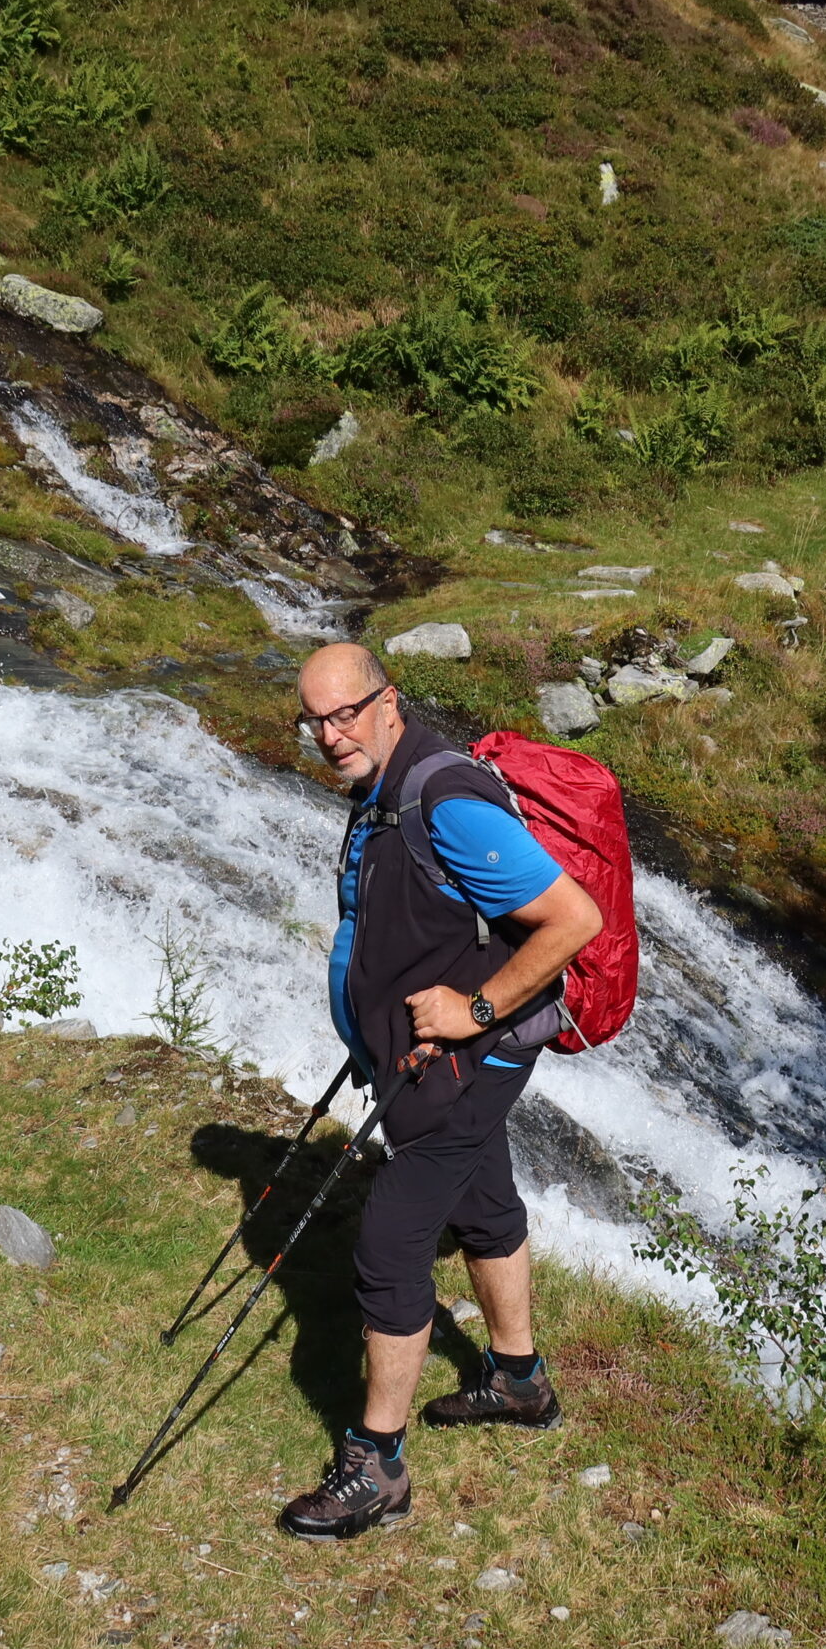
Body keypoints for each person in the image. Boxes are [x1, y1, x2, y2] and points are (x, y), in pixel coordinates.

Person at [275, 642, 604, 1541]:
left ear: (389, 701)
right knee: (482, 1200)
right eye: (315, 720)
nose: (331, 733)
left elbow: (574, 918)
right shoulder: (383, 785)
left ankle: (376, 1467)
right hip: (427, 1056)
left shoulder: (443, 801)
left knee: (390, 1244)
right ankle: (520, 1382)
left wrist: (475, 1008)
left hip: (468, 1060)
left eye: (346, 713)